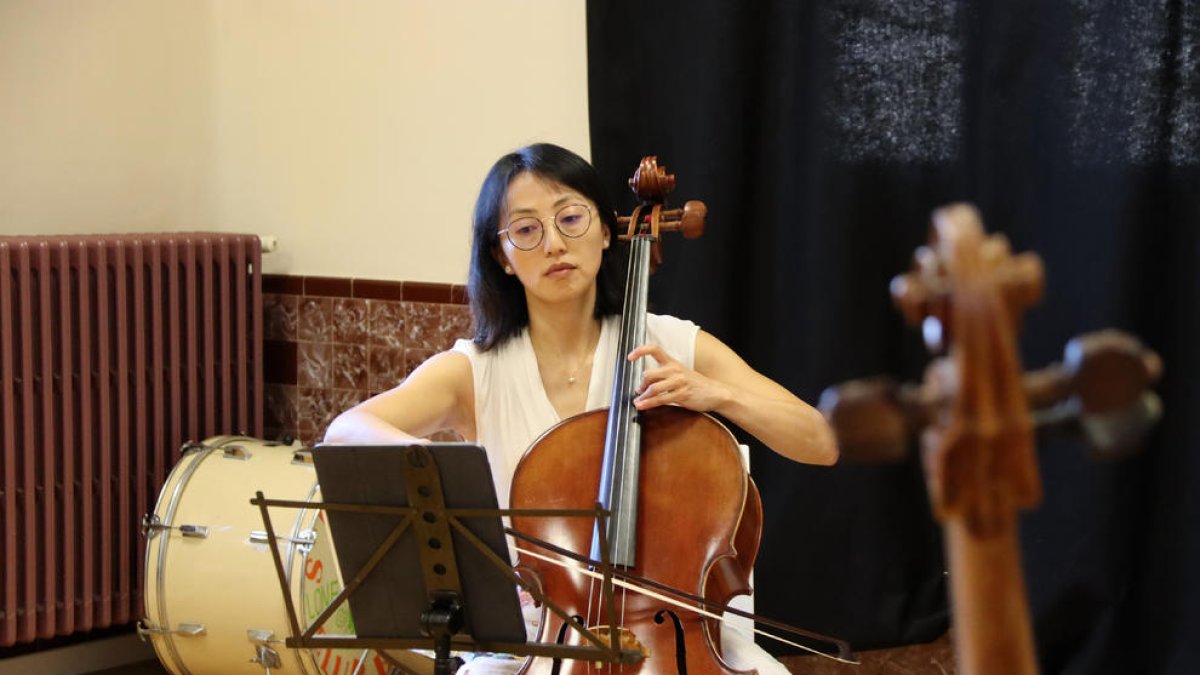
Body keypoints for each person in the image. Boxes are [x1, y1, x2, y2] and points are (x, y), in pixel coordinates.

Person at [324, 143, 838, 674]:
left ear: (606, 230)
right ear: (501, 256)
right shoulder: (474, 371)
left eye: (570, 218)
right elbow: (344, 430)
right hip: (534, 646)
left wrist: (719, 395)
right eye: (526, 230)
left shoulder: (673, 346)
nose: (554, 244)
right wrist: (438, 466)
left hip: (678, 646)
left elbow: (822, 441)